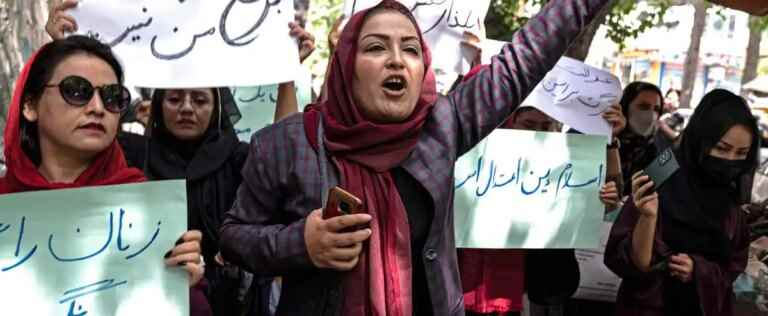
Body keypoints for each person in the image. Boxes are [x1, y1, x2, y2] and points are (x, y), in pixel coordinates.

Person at [218, 0, 610, 315]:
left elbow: (525, 57)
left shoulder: (443, 125)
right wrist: (301, 244)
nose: (396, 59)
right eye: (375, 47)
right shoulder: (284, 144)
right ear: (346, 66)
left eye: (410, 48)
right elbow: (235, 238)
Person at [46, 2, 316, 314]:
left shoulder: (239, 159)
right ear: (158, 106)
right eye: (174, 99)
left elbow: (284, 151)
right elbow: (75, 129)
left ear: (216, 110)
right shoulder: (130, 155)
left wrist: (284, 71)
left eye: (200, 99)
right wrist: (63, 50)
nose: (186, 108)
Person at [0, 35, 209, 315]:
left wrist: (183, 285)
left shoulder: (150, 214)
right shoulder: (6, 204)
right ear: (30, 105)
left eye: (112, 97)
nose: (98, 108)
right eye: (76, 91)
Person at [604, 89, 758, 315]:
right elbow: (627, 258)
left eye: (741, 152)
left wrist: (700, 271)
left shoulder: (733, 189)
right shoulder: (662, 168)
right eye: (722, 148)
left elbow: (733, 263)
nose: (730, 160)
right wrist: (648, 218)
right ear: (700, 140)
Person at [617, 82, 664, 197]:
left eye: (656, 109)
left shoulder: (658, 149)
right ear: (626, 107)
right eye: (644, 107)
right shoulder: (604, 138)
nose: (651, 114)